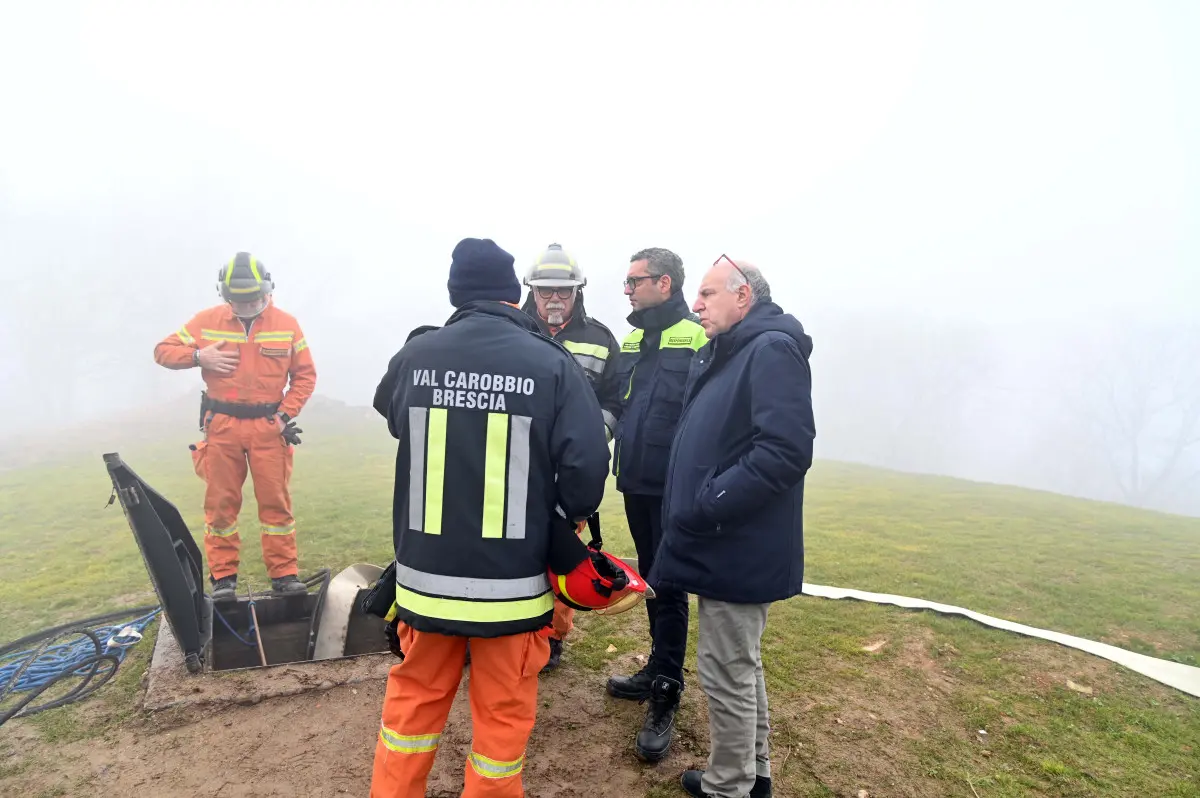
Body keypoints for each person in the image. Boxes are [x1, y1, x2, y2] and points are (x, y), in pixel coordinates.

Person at [368, 237, 615, 798]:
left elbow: (392, 411)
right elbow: (587, 466)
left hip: (424, 585)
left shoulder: (418, 354)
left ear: (456, 295)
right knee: (501, 721)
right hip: (515, 586)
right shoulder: (552, 363)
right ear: (514, 295)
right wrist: (561, 516)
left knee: (410, 713)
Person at [653, 257, 815, 798]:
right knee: (740, 664)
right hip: (727, 540)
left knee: (726, 670)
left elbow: (785, 450)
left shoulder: (770, 350)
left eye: (707, 293)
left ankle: (730, 787)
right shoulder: (735, 351)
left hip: (736, 542)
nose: (695, 304)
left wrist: (709, 501)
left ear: (743, 297)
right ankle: (755, 775)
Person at [154, 252, 316, 600]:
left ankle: (284, 574)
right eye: (239, 301)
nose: (247, 306)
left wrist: (284, 415)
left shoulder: (287, 324)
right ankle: (223, 578)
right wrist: (199, 356)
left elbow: (304, 376)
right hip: (222, 427)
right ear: (225, 295)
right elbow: (163, 351)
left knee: (276, 504)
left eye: (254, 299)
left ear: (268, 290)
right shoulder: (206, 321)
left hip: (269, 428)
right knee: (221, 504)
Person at [606, 247, 707, 763]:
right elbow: (622, 404)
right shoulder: (630, 337)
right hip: (634, 482)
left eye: (634, 281)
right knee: (649, 577)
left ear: (664, 284)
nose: (627, 289)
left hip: (674, 486)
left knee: (669, 585)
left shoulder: (697, 335)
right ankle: (655, 666)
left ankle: (666, 687)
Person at [519, 242, 622, 671]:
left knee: (560, 554)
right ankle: (508, 629)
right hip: (514, 468)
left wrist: (590, 439)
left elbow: (616, 401)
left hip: (567, 474)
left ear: (578, 291)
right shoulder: (513, 331)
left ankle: (551, 636)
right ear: (533, 291)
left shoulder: (600, 340)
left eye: (564, 290)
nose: (555, 299)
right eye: (546, 291)